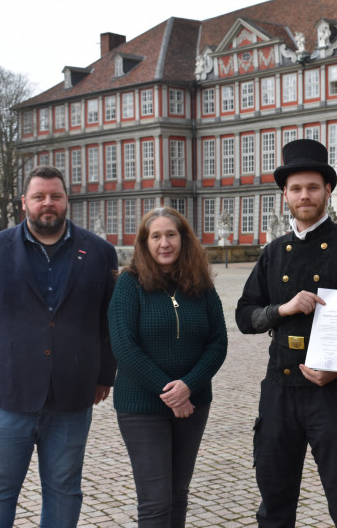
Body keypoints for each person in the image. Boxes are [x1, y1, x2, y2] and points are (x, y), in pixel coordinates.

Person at [235, 138, 337, 527]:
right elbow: (243, 316)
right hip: (279, 392)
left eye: (313, 187)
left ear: (328, 191)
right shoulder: (272, 253)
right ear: (284, 194)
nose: (305, 196)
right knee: (274, 504)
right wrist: (282, 309)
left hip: (334, 396)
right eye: (296, 189)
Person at [0, 165, 118, 527]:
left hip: (73, 399)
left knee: (64, 489)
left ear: (67, 201)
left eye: (55, 196)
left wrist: (104, 375)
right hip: (5, 397)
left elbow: (109, 320)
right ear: (24, 203)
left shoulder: (100, 252)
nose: (48, 203)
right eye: (39, 196)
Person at [108, 207, 228, 527]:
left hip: (192, 403)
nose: (164, 243)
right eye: (156, 236)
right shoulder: (129, 285)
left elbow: (218, 343)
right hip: (142, 407)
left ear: (183, 239)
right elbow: (124, 346)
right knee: (156, 500)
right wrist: (170, 391)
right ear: (144, 243)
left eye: (171, 235)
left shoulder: (201, 284)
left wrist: (188, 386)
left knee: (178, 493)